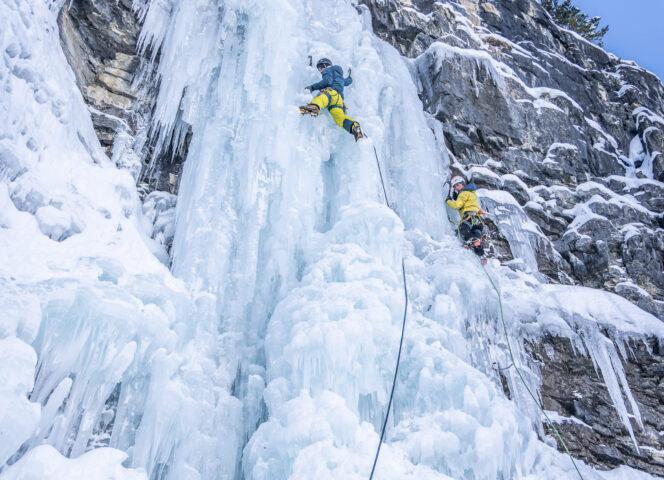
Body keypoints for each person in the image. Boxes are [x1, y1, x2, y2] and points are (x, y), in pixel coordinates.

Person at [300, 57, 363, 141]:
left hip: (331, 93)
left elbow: (327, 81)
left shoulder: (328, 69)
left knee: (321, 98)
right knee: (340, 119)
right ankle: (354, 127)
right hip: (339, 100)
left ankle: (314, 107)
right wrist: (350, 76)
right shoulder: (339, 76)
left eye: (320, 68)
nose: (320, 70)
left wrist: (312, 87)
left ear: (325, 65)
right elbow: (347, 81)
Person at [446, 176, 485, 257]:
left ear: (463, 184)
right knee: (476, 237)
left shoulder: (463, 193)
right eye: (455, 186)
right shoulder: (471, 193)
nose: (456, 187)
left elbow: (457, 205)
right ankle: (480, 254)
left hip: (469, 217)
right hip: (478, 221)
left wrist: (448, 201)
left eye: (458, 185)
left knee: (460, 232)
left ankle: (466, 246)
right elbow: (465, 203)